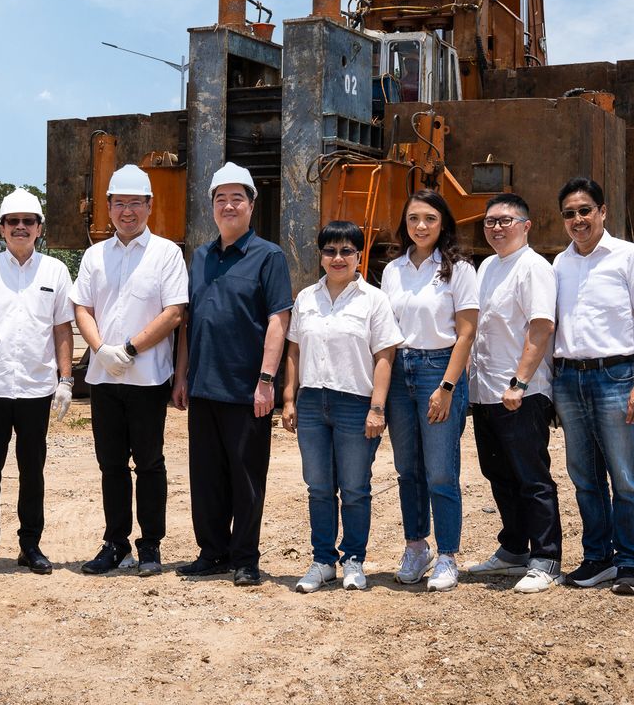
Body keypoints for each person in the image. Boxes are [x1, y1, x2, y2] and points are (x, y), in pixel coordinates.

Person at [173, 162, 292, 586]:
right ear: (211, 206)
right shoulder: (201, 257)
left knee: (246, 476)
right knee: (206, 476)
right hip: (204, 386)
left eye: (236, 198)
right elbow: (189, 321)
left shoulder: (268, 256)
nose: (228, 205)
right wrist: (182, 375)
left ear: (252, 205)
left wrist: (266, 381)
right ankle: (212, 551)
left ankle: (245, 557)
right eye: (220, 198)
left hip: (246, 389)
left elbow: (278, 320)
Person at [71, 165, 188, 577]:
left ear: (150, 206)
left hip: (147, 379)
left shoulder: (166, 254)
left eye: (135, 203)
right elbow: (81, 308)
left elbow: (174, 312)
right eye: (119, 203)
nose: (127, 211)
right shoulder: (94, 256)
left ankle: (150, 545)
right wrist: (101, 350)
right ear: (107, 207)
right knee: (112, 465)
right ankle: (115, 543)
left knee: (150, 463)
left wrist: (131, 348)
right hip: (104, 379)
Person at [0, 188, 75, 576]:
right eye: (13, 222)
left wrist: (66, 379)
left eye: (28, 221)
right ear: (2, 229)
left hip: (37, 389)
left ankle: (30, 546)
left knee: (32, 470)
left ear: (40, 228)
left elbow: (62, 329)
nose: (20, 227)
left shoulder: (55, 271)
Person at [552, 177, 634, 597]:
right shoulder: (560, 264)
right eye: (569, 213)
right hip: (569, 378)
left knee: (625, 475)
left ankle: (629, 562)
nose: (578, 220)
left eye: (585, 211)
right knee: (584, 475)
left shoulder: (628, 257)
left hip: (616, 377)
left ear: (602, 212)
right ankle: (597, 558)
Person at [281, 221, 402, 593]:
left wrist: (377, 409)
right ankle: (322, 562)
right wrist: (289, 397)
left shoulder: (373, 300)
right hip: (314, 402)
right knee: (318, 487)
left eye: (346, 251)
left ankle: (353, 560)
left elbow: (385, 356)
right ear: (320, 256)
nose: (338, 258)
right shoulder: (306, 299)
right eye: (330, 251)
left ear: (359, 256)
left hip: (355, 403)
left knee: (354, 487)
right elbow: (294, 351)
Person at [464, 193, 563, 594]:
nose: (496, 228)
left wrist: (519, 382)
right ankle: (514, 550)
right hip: (485, 391)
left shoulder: (534, 268)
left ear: (526, 225)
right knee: (498, 474)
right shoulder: (487, 266)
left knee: (532, 477)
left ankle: (547, 558)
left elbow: (541, 328)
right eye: (490, 222)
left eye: (505, 220)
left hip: (521, 392)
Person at [381, 190, 478, 592]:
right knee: (408, 470)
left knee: (440, 471)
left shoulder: (459, 269)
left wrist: (447, 387)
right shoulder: (393, 270)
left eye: (430, 219)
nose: (421, 226)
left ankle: (448, 557)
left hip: (439, 370)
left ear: (443, 224)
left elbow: (467, 333)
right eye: (413, 219)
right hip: (400, 372)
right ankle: (416, 546)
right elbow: (384, 331)